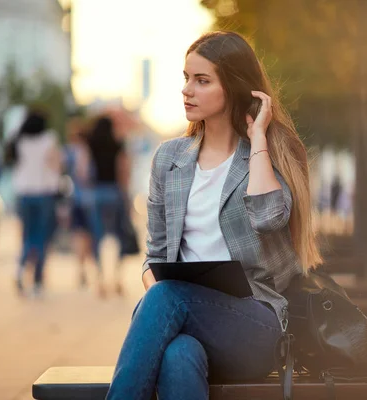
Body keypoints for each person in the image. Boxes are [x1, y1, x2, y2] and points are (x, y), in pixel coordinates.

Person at [106, 31, 322, 400]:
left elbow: (269, 218)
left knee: (165, 297)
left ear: (235, 88)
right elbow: (155, 258)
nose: (187, 90)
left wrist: (257, 141)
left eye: (202, 81)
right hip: (186, 320)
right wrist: (166, 297)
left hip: (256, 324)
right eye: (186, 78)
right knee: (178, 354)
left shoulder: (269, 155)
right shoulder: (169, 159)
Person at [11, 110, 61, 297]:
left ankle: (20, 270)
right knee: (41, 237)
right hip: (43, 193)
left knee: (27, 236)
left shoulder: (19, 140)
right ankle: (37, 279)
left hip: (23, 193)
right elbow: (56, 165)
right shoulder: (48, 139)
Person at [86, 115, 131, 297]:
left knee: (97, 236)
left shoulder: (90, 144)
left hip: (96, 192)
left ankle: (99, 279)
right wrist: (125, 194)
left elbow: (83, 169)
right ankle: (118, 278)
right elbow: (123, 170)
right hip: (114, 191)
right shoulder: (117, 144)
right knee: (119, 234)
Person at [63, 117, 93, 288]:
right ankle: (88, 267)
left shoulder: (70, 151)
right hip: (89, 197)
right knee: (89, 234)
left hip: (76, 197)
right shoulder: (89, 151)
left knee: (77, 233)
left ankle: (81, 267)